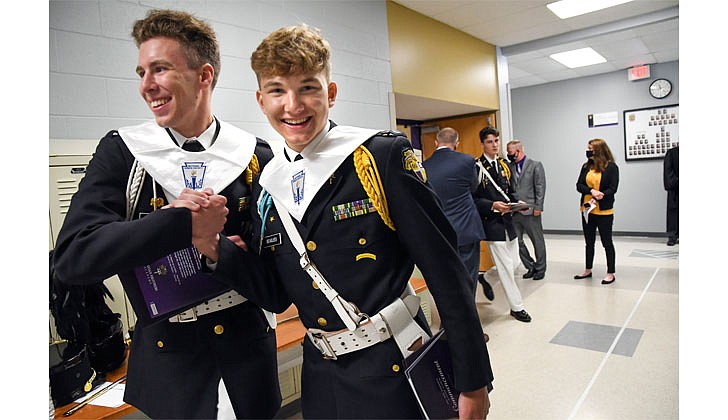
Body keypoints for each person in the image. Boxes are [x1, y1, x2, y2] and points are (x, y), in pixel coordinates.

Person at [192, 24, 492, 419]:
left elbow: (446, 271)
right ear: (261, 100)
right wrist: (215, 248)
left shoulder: (379, 158)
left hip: (396, 367)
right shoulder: (269, 183)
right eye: (278, 90)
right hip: (322, 375)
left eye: (308, 88)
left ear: (330, 94)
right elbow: (279, 295)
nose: (293, 106)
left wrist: (472, 378)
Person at [51, 9, 281, 419]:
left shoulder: (255, 156)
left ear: (204, 75)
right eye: (141, 72)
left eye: (160, 69)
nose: (146, 86)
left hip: (249, 361)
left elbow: (277, 286)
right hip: (172, 367)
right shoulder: (123, 152)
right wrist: (180, 225)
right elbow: (73, 259)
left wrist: (217, 252)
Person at [473, 127, 532, 323]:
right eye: (490, 142)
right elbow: (473, 198)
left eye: (497, 141)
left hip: (509, 222)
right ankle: (517, 308)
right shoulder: (476, 168)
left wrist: (519, 204)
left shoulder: (505, 165)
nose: (495, 145)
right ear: (483, 144)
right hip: (492, 224)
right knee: (507, 268)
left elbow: (511, 191)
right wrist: (492, 205)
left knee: (514, 264)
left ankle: (487, 278)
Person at [422, 128, 487, 297]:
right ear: (457, 144)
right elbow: (474, 188)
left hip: (440, 233)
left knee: (446, 279)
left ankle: (447, 321)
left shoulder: (424, 167)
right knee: (468, 277)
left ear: (436, 143)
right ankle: (468, 319)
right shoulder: (467, 161)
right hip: (466, 229)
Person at [574, 138, 619, 285]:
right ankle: (588, 269)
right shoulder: (586, 166)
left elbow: (612, 189)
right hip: (587, 209)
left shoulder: (612, 167)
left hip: (604, 211)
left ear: (599, 150)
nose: (588, 151)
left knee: (607, 242)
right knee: (589, 242)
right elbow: (579, 185)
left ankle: (610, 272)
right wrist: (591, 191)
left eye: (590, 149)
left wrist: (598, 197)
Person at [506, 140, 547, 280]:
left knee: (537, 240)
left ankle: (541, 269)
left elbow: (540, 187)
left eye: (510, 152)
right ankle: (530, 266)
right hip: (515, 210)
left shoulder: (535, 165)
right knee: (518, 242)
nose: (508, 155)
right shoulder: (509, 167)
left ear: (518, 151)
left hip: (531, 210)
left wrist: (538, 207)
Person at [663, 145, 679, 246]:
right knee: (674, 211)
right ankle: (673, 236)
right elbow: (668, 172)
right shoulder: (672, 153)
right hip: (676, 188)